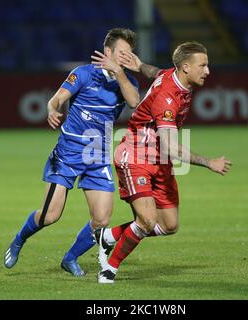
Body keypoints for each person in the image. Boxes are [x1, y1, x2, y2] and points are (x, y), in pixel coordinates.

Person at [3, 28, 140, 277]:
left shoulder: (127, 82)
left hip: (97, 157)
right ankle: (20, 239)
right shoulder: (83, 74)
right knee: (50, 216)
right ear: (107, 52)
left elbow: (133, 102)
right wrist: (52, 110)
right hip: (68, 153)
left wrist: (120, 71)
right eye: (121, 53)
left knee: (101, 220)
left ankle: (70, 258)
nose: (126, 58)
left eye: (129, 54)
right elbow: (55, 99)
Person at [94, 41, 232, 283]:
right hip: (136, 156)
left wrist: (139, 65)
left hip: (160, 162)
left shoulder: (174, 75)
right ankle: (110, 269)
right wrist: (209, 162)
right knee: (147, 221)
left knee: (169, 225)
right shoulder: (168, 97)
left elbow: (156, 72)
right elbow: (172, 147)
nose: (208, 71)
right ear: (186, 68)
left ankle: (109, 236)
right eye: (204, 65)